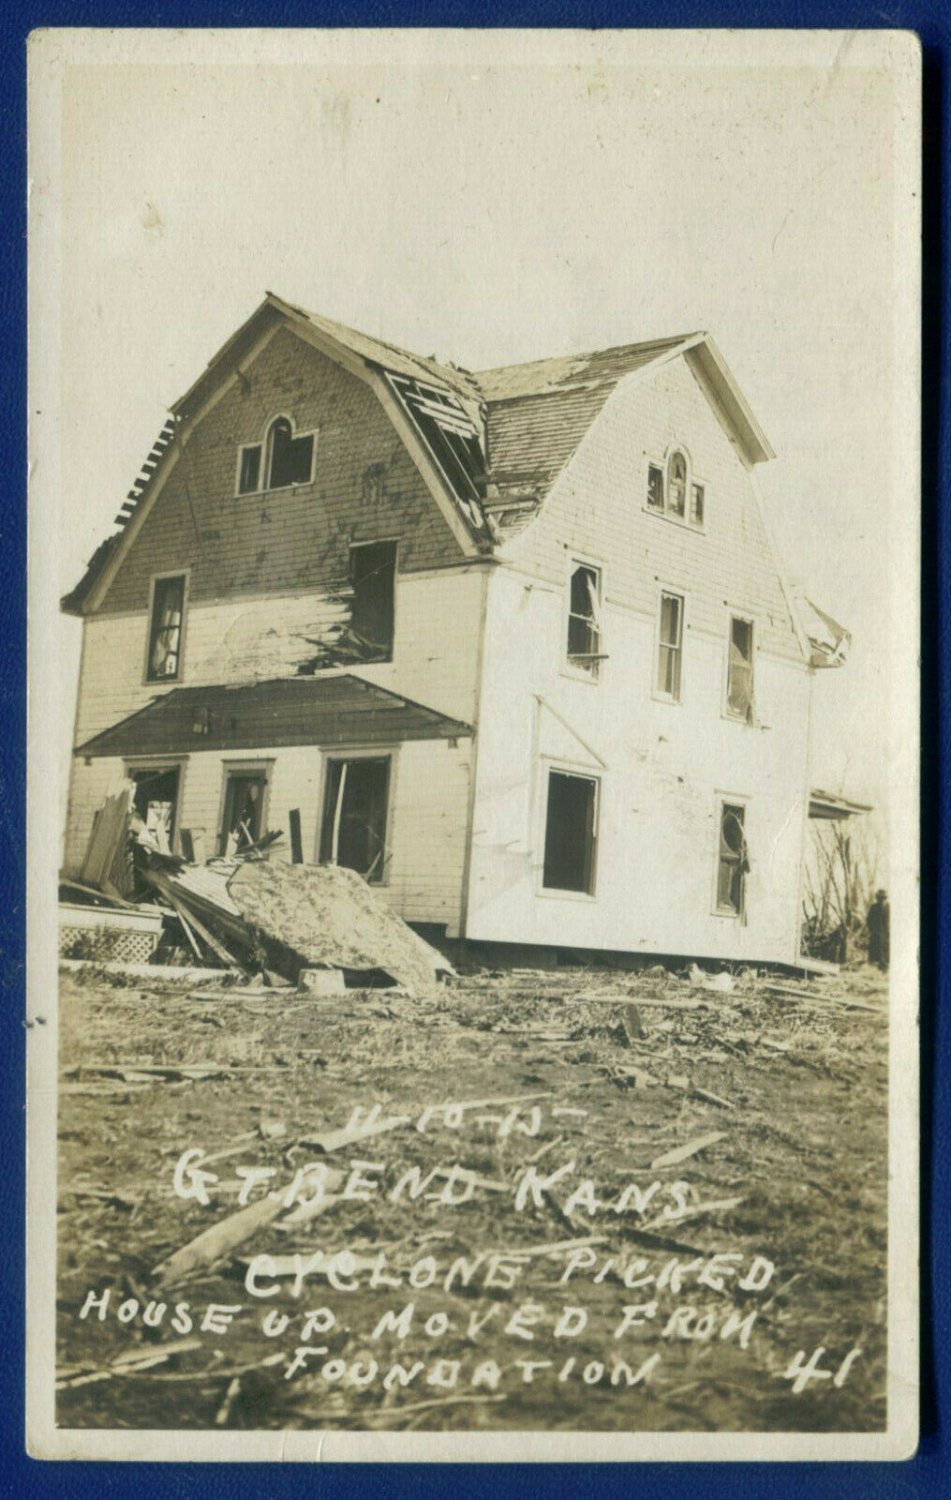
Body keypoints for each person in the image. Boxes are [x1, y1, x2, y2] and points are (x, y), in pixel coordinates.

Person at [866, 889, 890, 971]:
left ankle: (885, 967)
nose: (881, 900)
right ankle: (879, 968)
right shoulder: (874, 907)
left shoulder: (889, 908)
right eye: (880, 898)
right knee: (876, 951)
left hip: (886, 933)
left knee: (886, 950)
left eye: (883, 898)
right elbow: (868, 920)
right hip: (876, 933)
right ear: (877, 898)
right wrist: (872, 930)